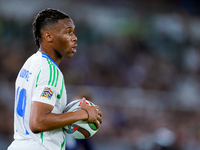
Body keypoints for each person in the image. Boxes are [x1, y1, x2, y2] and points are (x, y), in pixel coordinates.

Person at [7, 8, 103, 150]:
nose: (75, 37)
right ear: (49, 36)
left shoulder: (31, 63)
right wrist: (82, 114)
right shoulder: (50, 70)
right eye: (68, 32)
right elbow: (38, 122)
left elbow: (37, 112)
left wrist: (72, 111)